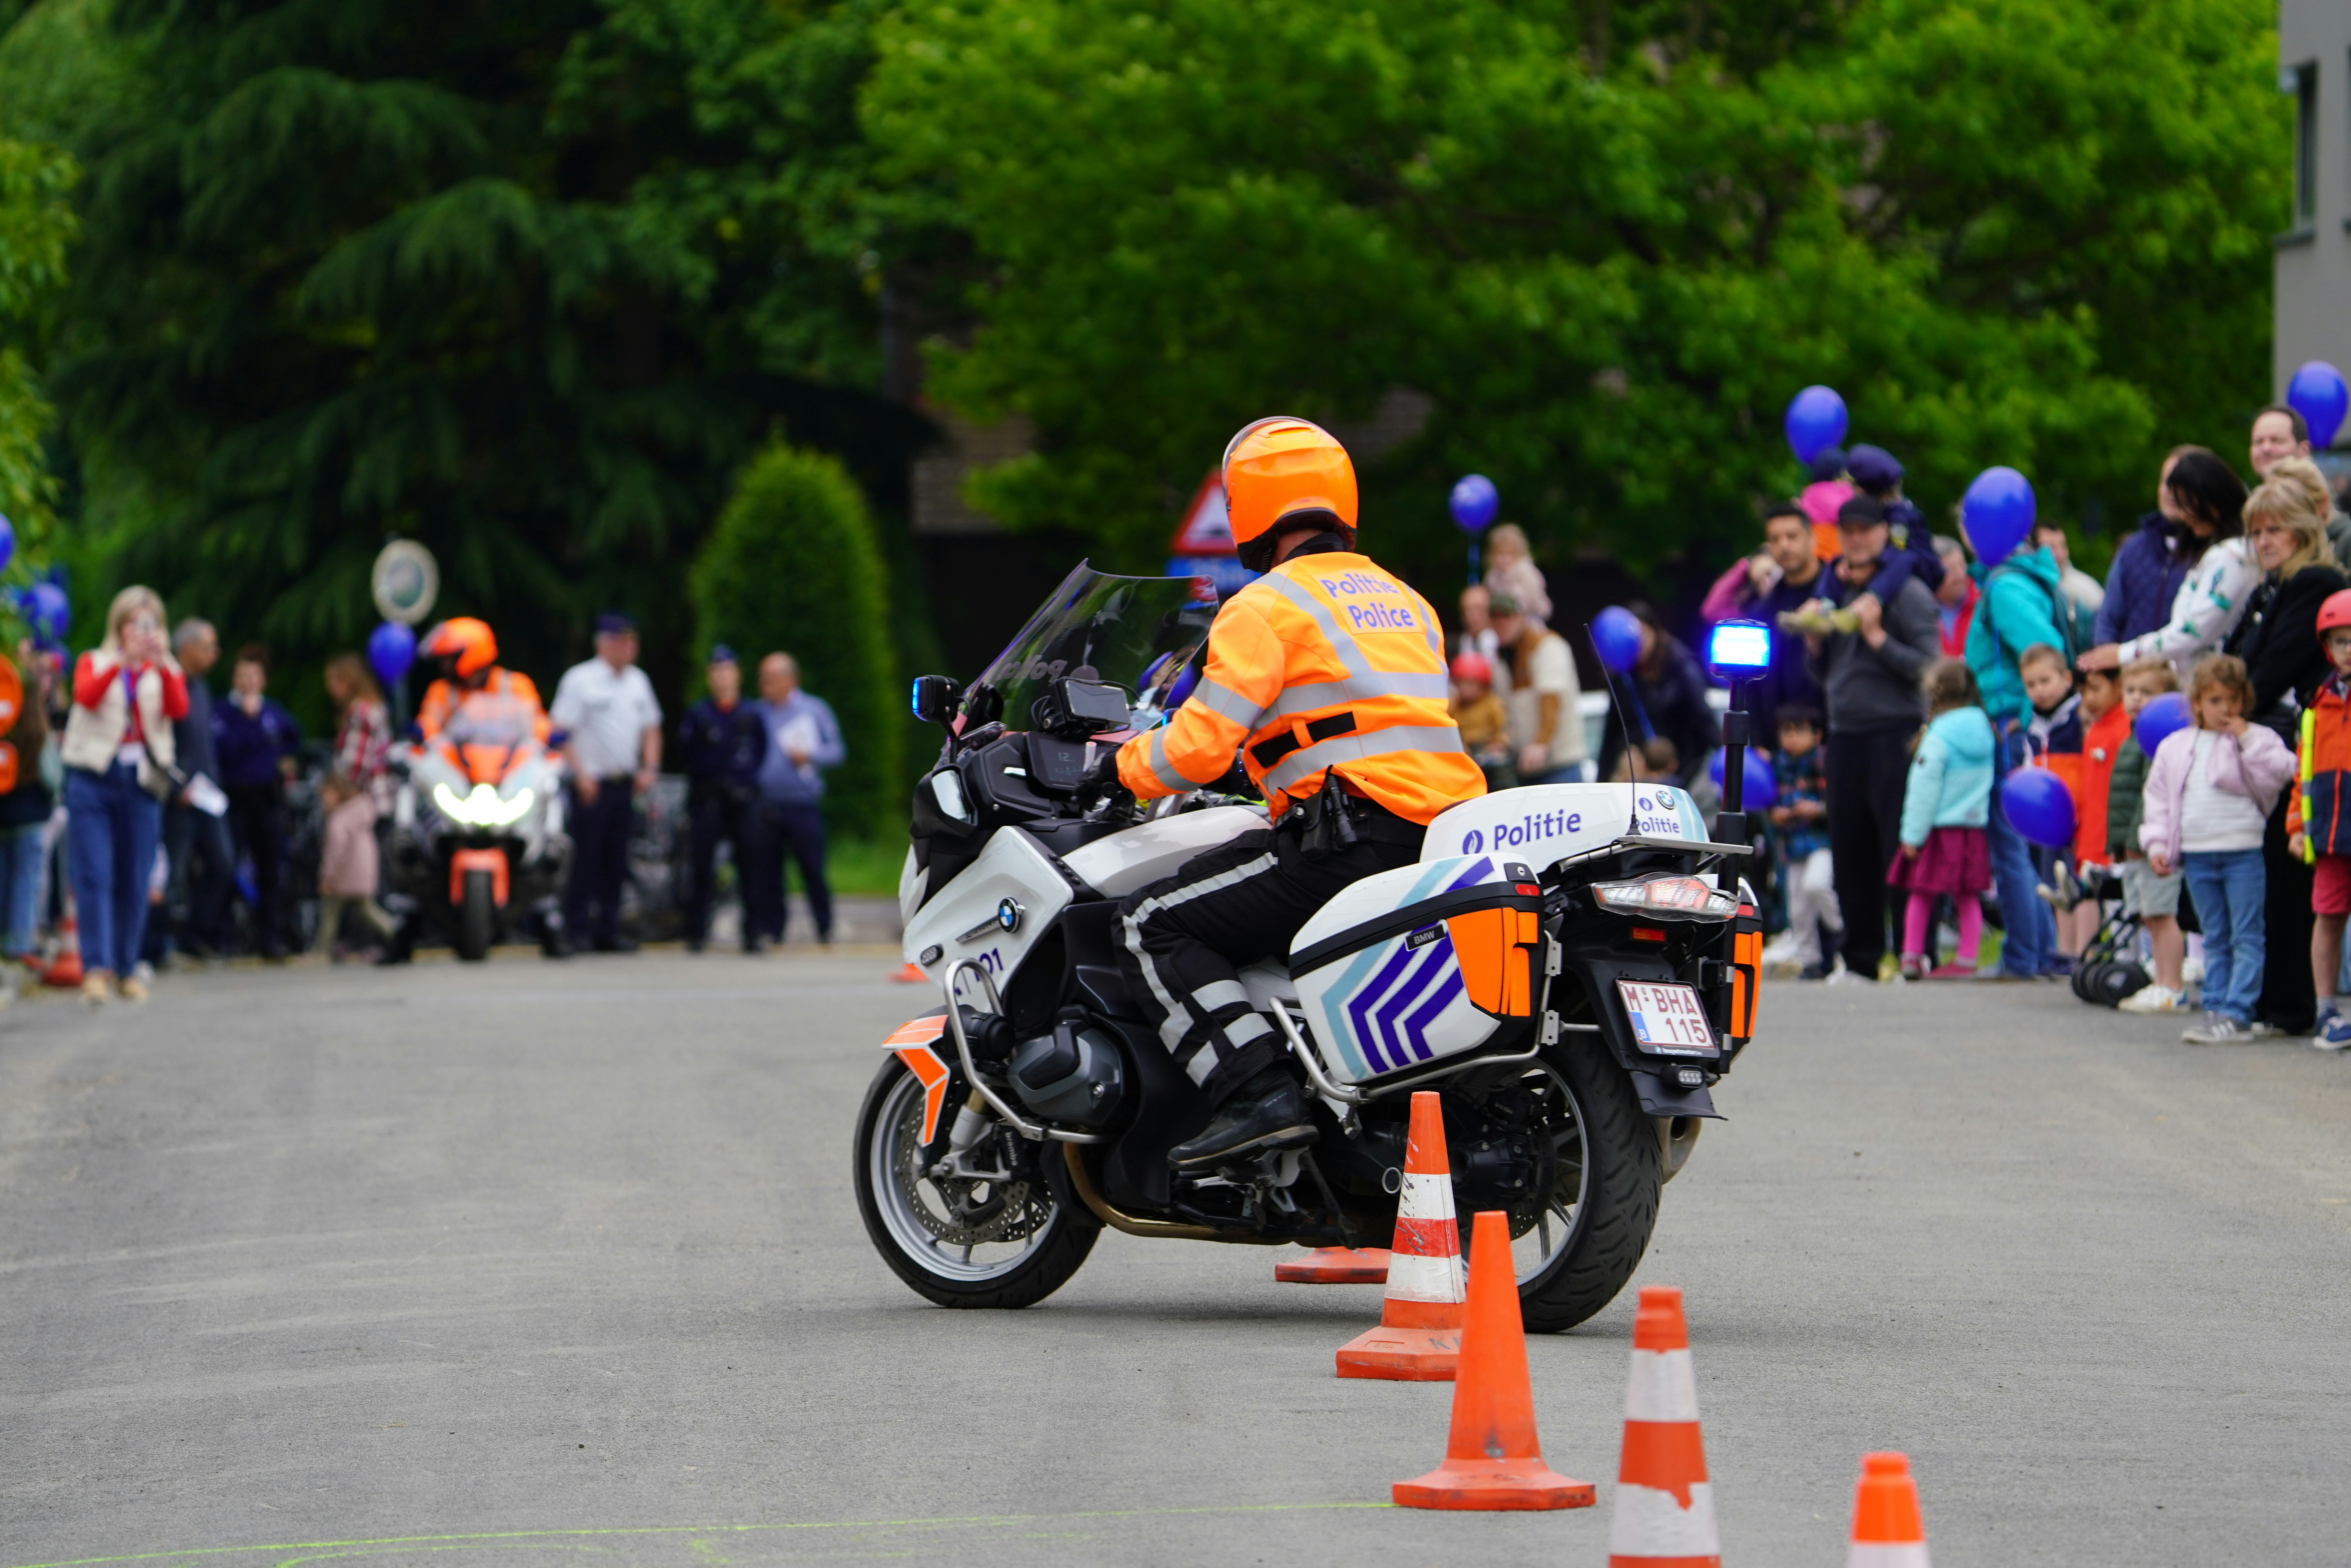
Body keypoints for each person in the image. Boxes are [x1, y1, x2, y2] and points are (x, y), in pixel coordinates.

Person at [1107, 416, 1484, 1167]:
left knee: (1146, 923)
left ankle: (1258, 1094)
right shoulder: (1410, 603)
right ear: (1340, 503)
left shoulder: (1265, 605)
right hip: (1442, 841)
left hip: (1347, 842)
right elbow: (1350, 719)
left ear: (1247, 512)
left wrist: (1114, 766)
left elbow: (1198, 745)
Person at [2226, 457, 2347, 1036]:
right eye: (2255, 531)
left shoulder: (2317, 583)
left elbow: (2264, 671)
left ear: (2301, 528)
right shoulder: (2271, 587)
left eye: (2273, 529)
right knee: (2268, 879)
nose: (2263, 540)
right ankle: (2271, 999)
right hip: (2263, 742)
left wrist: (2229, 700)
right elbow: (2231, 662)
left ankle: (2294, 1004)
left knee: (2295, 880)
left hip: (2305, 750)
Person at [1802, 495, 1941, 982]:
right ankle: (1859, 957)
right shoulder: (1833, 589)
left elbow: (1932, 669)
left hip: (1896, 733)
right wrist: (1814, 645)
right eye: (1848, 530)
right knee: (1849, 850)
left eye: (1866, 529)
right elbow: (1826, 674)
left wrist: (1878, 636)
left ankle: (1914, 954)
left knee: (1901, 848)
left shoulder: (1906, 592)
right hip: (1844, 735)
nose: (1856, 538)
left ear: (1885, 532)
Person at [2142, 654, 2295, 1044]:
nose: (2224, 709)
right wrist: (2158, 843)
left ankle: (2238, 1011)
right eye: (2214, 701)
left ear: (2244, 700)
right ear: (2196, 704)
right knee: (2215, 933)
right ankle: (2215, 1006)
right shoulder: (2177, 747)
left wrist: (2245, 737)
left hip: (2243, 850)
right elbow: (2158, 799)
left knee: (2247, 933)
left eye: (2232, 699)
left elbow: (2282, 770)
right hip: (2198, 853)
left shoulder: (2257, 739)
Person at [60, 586, 187, 1003]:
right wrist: (122, 659)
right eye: (136, 622)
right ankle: (96, 968)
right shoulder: (94, 661)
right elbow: (86, 696)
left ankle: (127, 968)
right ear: (120, 624)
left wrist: (162, 662)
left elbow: (178, 709)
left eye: (150, 623)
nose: (143, 630)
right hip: (94, 778)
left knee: (136, 878)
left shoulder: (163, 669)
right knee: (94, 875)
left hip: (142, 780)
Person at [1964, 499, 2070, 980]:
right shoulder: (2010, 580)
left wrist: (2023, 719)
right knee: (2020, 844)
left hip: (2009, 723)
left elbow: (2043, 651)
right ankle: (2040, 951)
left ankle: (2023, 955)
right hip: (2010, 719)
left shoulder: (2004, 587)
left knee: (2008, 843)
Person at [2078, 451, 2256, 684]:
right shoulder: (2213, 552)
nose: (2183, 515)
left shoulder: (2232, 557)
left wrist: (2123, 654)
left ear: (2211, 499)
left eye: (2187, 504)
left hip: (2209, 690)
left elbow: (2193, 632)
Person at [550, 613, 663, 954]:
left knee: (617, 859)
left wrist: (651, 768)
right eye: (623, 641)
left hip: (624, 783)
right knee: (586, 858)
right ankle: (577, 929)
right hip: (591, 784)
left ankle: (609, 930)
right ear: (606, 644)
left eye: (633, 642)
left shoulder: (638, 682)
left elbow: (652, 727)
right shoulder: (581, 680)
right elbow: (560, 733)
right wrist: (580, 774)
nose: (630, 649)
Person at [1890, 659, 1996, 980]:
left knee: (1920, 893)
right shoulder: (1985, 730)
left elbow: (1923, 789)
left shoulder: (1937, 737)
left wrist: (1912, 836)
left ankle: (1910, 956)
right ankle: (1966, 959)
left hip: (1936, 829)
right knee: (1967, 896)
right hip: (1971, 829)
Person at [1699, 501, 1826, 740]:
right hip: (1777, 742)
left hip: (1829, 736)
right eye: (1775, 539)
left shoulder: (1836, 592)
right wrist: (1758, 741)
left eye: (1792, 536)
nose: (1784, 546)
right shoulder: (1763, 609)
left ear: (1812, 538)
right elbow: (1753, 686)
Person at [213, 644, 303, 958]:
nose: (249, 681)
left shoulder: (273, 713)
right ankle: (224, 937)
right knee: (226, 866)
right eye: (243, 675)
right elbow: (225, 750)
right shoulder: (223, 712)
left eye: (255, 675)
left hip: (267, 799)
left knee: (271, 869)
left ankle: (270, 937)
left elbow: (295, 739)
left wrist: (282, 760)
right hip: (235, 797)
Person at [2289, 589, 2351, 1048]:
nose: (2348, 649)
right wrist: (2296, 825)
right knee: (2328, 917)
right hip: (2329, 838)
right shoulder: (2317, 707)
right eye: (2340, 641)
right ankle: (2326, 1011)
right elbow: (2303, 775)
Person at [748, 652, 843, 947]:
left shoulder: (813, 710)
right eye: (762, 679)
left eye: (771, 679)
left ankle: (824, 927)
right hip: (766, 803)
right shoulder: (757, 712)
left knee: (812, 868)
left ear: (790, 680)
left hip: (802, 803)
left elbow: (837, 751)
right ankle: (774, 929)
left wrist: (810, 755)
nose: (765, 685)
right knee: (769, 871)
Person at [2112, 659, 2190, 1013]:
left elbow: (2152, 799)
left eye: (2147, 692)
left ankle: (2172, 985)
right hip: (2133, 847)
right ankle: (2159, 980)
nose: (2136, 699)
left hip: (2151, 846)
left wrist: (2141, 841)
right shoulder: (2132, 735)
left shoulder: (2160, 739)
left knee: (2162, 914)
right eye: (2130, 691)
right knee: (2148, 915)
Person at [678, 644, 767, 953]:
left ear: (737, 675)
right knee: (702, 866)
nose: (722, 677)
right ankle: (696, 931)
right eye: (716, 671)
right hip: (709, 799)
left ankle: (754, 932)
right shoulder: (699, 714)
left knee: (751, 866)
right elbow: (688, 754)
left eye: (727, 671)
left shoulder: (750, 713)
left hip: (743, 800)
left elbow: (760, 751)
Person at [163, 619, 232, 959]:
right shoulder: (168, 683)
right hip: (180, 797)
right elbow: (161, 741)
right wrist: (175, 788)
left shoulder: (202, 688)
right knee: (172, 873)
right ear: (187, 648)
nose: (214, 654)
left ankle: (194, 934)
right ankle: (159, 943)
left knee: (223, 865)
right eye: (208, 646)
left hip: (208, 794)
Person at [318, 654, 395, 954]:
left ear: (348, 682)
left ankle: (375, 940)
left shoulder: (360, 712)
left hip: (362, 802)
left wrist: (335, 792)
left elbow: (355, 765)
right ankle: (363, 940)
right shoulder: (374, 708)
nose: (329, 688)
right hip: (379, 799)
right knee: (366, 871)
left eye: (334, 681)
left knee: (363, 874)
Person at [1594, 601, 1717, 786]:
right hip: (1643, 775)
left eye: (1641, 634)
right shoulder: (1625, 675)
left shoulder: (1680, 665)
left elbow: (1704, 719)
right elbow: (1613, 731)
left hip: (1684, 771)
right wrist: (1601, 782)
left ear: (1654, 631)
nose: (1637, 643)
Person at [1763, 703, 1840, 978]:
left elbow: (1841, 802)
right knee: (1797, 907)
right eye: (1786, 732)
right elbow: (1766, 800)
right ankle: (1811, 962)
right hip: (1792, 845)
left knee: (1817, 885)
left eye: (1799, 732)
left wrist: (1817, 809)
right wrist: (1776, 814)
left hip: (1821, 840)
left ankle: (1842, 933)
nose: (1791, 738)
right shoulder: (1777, 764)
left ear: (1817, 735)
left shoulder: (1824, 762)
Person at [2095, 448, 2195, 648]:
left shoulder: (2215, 551)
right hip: (2131, 674)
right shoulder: (2133, 548)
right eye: (2167, 482)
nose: (2171, 490)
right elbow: (2108, 622)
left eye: (2182, 483)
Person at [2061, 663, 2127, 954]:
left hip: (2113, 837)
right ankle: (2090, 955)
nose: (2088, 698)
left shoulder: (2123, 727)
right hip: (2092, 832)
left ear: (2118, 686)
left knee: (2123, 904)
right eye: (2083, 691)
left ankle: (2129, 962)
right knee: (2094, 895)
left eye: (2096, 689)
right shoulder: (2095, 729)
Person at [1489, 592, 1584, 784]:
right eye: (1496, 618)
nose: (1502, 624)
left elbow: (1551, 699)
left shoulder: (1547, 646)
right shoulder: (1501, 659)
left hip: (1560, 766)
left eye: (1507, 617)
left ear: (1522, 618)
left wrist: (1541, 744)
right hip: (1525, 768)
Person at [0, 638, 53, 979]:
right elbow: (38, 735)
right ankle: (19, 944)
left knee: (9, 876)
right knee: (26, 877)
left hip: (11, 804)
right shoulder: (24, 688)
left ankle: (11, 943)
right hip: (29, 804)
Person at [313, 771, 396, 958]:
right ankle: (397, 935)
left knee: (330, 913)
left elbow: (336, 851)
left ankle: (320, 953)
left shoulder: (341, 818)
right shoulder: (361, 812)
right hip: (363, 872)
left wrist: (328, 877)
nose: (324, 801)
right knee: (367, 910)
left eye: (326, 795)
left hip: (344, 874)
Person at [1448, 651, 1513, 791]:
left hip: (1488, 752)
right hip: (1467, 752)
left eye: (1470, 684)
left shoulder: (1493, 704)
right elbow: (1449, 728)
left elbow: (1503, 729)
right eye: (1461, 683)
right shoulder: (1455, 706)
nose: (1465, 689)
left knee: (1500, 770)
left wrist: (1498, 744)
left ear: (1483, 684)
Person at [1481, 522, 1550, 631]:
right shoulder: (1493, 577)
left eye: (1509, 554)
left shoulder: (1525, 572)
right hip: (1502, 623)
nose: (1504, 559)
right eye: (1500, 554)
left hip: (1529, 620)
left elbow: (1530, 599)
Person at [1932, 535, 1977, 657]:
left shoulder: (1982, 601)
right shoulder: (1920, 608)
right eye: (1950, 570)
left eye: (1962, 566)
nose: (1960, 575)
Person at [1456, 584, 1499, 665]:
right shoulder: (1456, 646)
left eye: (1479, 609)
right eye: (1468, 610)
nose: (1474, 616)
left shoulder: (1505, 646)